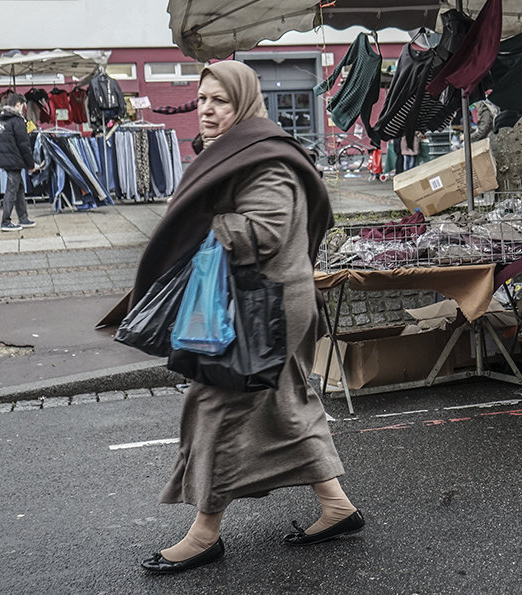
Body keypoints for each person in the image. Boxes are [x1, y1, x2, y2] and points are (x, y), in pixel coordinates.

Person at [124, 61, 363, 574]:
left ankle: (204, 534)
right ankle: (337, 505)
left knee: (220, 404)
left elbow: (268, 229)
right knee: (284, 399)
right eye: (202, 99)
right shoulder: (246, 149)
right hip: (263, 300)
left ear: (244, 104)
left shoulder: (263, 159)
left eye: (220, 101)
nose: (206, 110)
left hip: (263, 306)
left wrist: (201, 218)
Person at [0, 92, 36, 232]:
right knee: (12, 190)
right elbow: (24, 145)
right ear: (18, 104)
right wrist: (31, 165)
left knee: (19, 188)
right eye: (23, 105)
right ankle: (6, 221)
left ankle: (23, 217)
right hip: (14, 160)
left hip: (3, 159)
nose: (24, 108)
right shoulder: (17, 121)